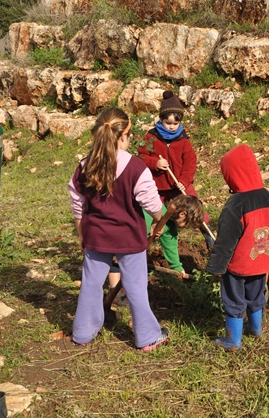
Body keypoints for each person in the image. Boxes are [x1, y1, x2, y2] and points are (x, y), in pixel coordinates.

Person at [68, 107, 169, 350]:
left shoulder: (85, 165)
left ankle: (83, 331)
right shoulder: (135, 167)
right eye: (130, 133)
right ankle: (146, 336)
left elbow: (77, 202)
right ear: (122, 135)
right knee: (135, 287)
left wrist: (81, 233)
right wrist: (159, 220)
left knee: (91, 284)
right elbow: (152, 203)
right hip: (129, 239)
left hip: (96, 237)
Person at [206, 145, 269, 350]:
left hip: (239, 264)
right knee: (256, 295)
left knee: (233, 298)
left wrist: (216, 267)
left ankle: (232, 340)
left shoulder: (236, 204)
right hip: (261, 259)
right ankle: (256, 329)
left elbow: (226, 241)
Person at [137, 91, 210, 278]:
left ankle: (211, 241)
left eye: (175, 123)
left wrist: (184, 182)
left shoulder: (183, 140)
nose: (171, 127)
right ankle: (141, 248)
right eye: (167, 123)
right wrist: (155, 163)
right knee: (157, 221)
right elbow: (141, 157)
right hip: (157, 189)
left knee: (198, 213)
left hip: (179, 187)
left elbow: (190, 164)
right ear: (160, 119)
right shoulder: (151, 138)